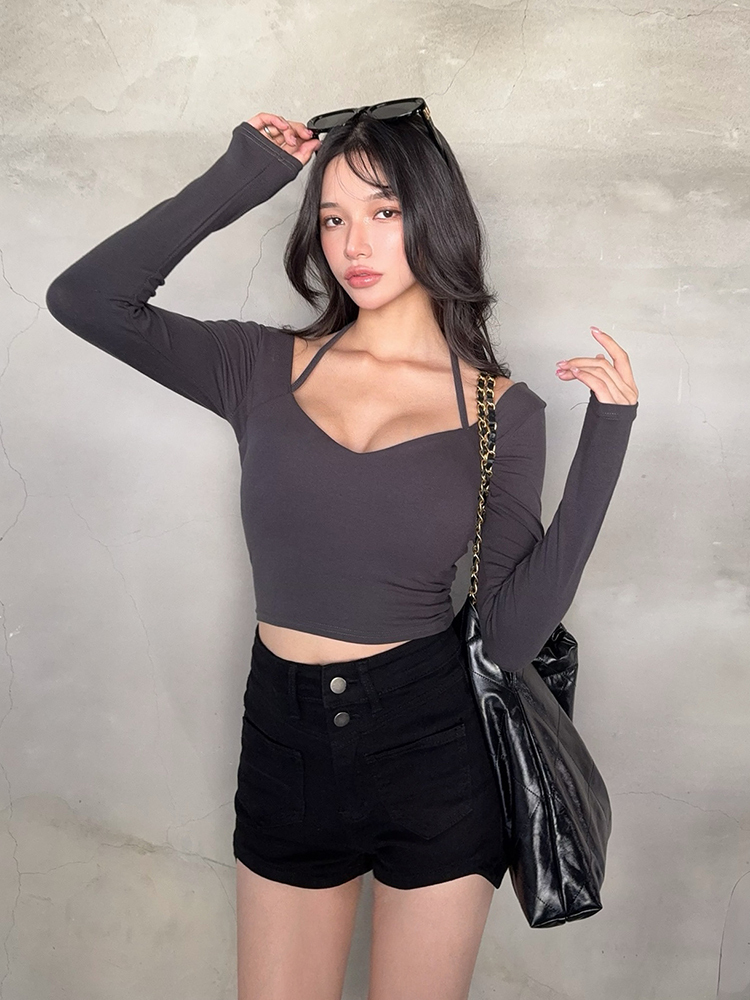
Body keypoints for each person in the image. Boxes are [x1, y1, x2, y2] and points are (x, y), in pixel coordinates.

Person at [45, 101, 639, 1000]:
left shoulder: (502, 412)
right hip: (283, 744)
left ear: (434, 215)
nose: (354, 243)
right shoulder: (258, 367)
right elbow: (86, 298)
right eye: (332, 217)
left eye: (384, 210)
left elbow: (512, 637)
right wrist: (249, 171)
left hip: (434, 749)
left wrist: (609, 436)